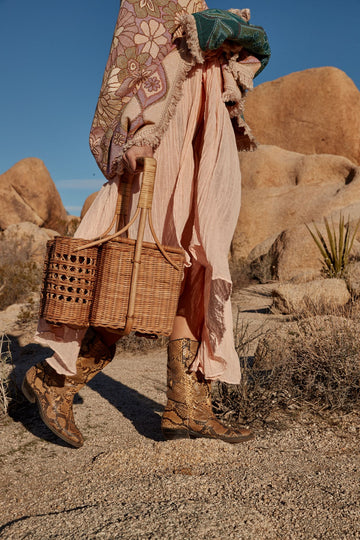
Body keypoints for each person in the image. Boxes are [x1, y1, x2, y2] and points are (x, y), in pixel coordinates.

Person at [22, 1, 270, 447]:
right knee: (128, 268)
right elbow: (136, 59)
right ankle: (51, 379)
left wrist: (232, 44)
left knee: (200, 263)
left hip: (206, 127)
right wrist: (139, 132)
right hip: (165, 130)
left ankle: (186, 406)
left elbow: (238, 55)